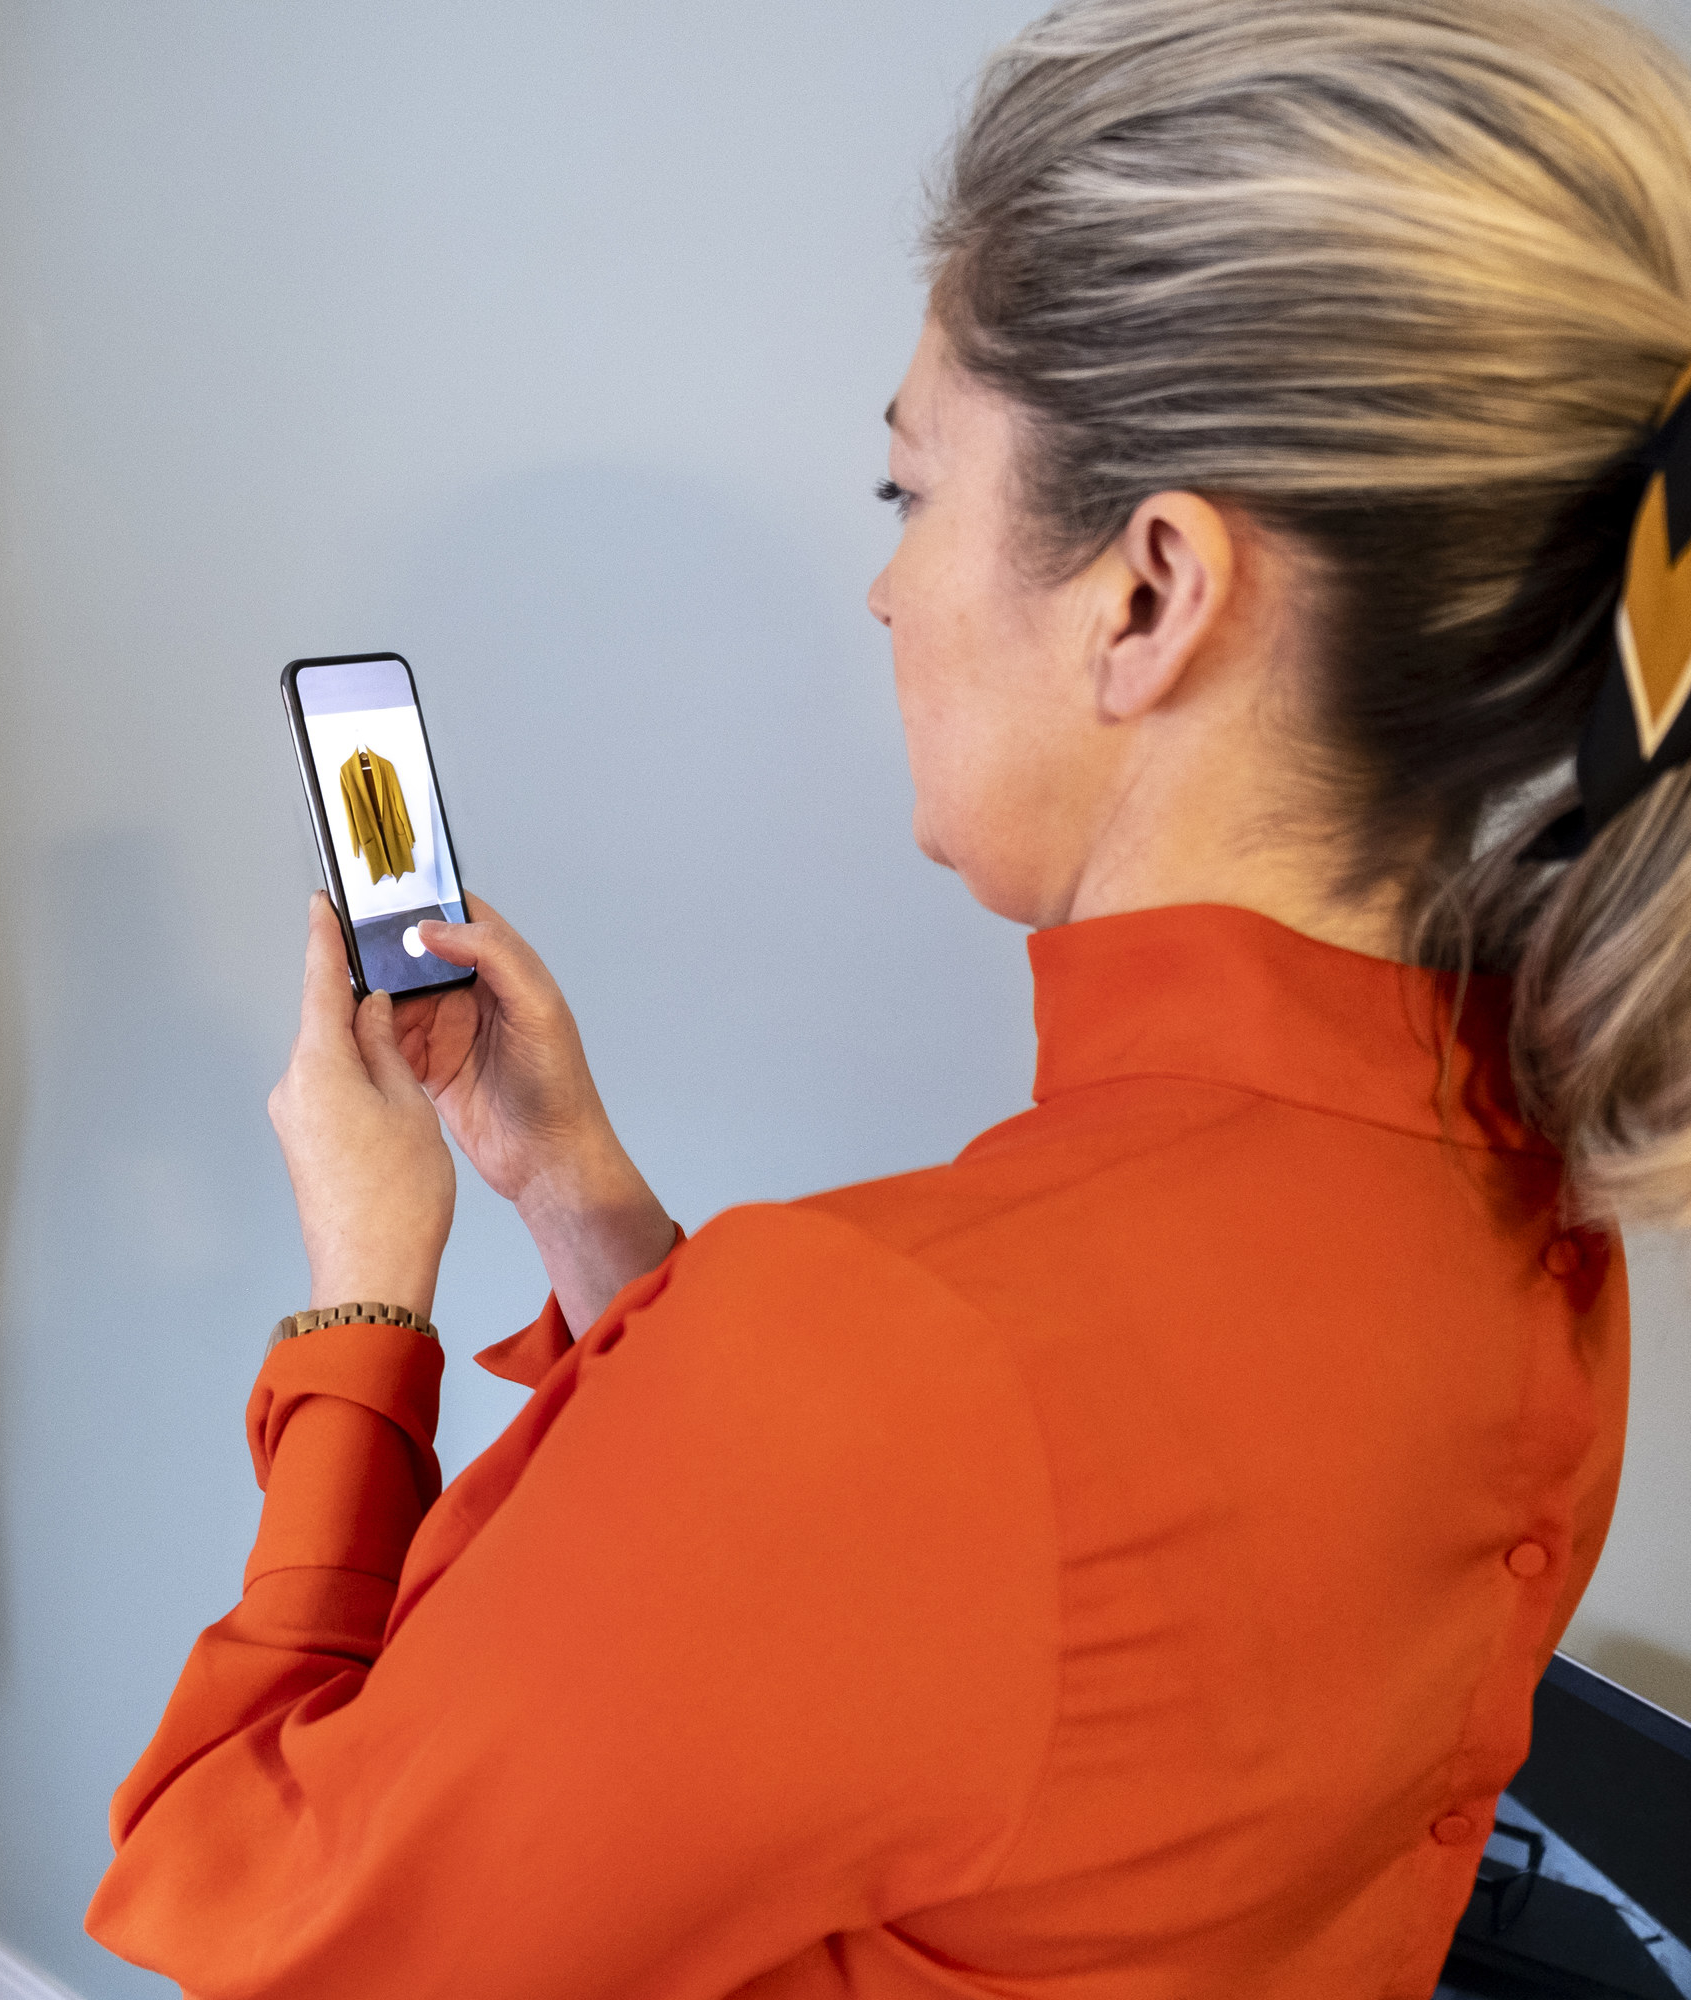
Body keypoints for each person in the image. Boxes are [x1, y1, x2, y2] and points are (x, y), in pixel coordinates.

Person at [85, 1, 1676, 1992]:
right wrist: (582, 1203)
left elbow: (245, 1905)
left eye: (906, 494)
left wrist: (362, 1289)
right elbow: (978, 1712)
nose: (888, 594)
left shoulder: (896, 1366)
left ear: (1150, 591)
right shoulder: (1536, 1196)